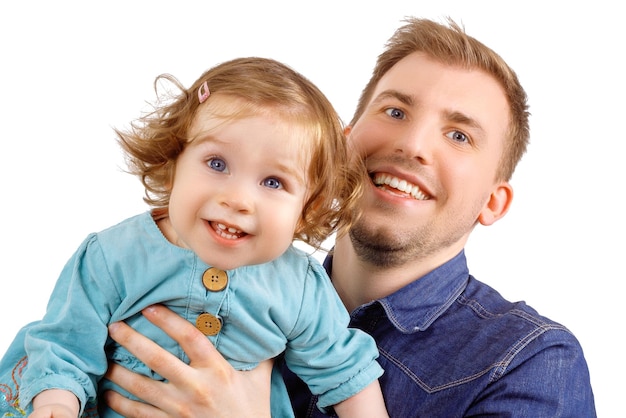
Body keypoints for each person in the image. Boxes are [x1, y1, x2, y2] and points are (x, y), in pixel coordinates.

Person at [98, 16, 597, 417]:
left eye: (459, 135)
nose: (411, 144)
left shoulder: (527, 363)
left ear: (494, 202)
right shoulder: (203, 273)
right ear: (341, 143)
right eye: (396, 111)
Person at [0, 57, 391, 418]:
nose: (237, 199)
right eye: (217, 163)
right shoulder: (114, 256)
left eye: (273, 181)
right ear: (173, 163)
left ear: (308, 207)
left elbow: (346, 372)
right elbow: (65, 344)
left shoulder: (300, 289)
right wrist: (57, 404)